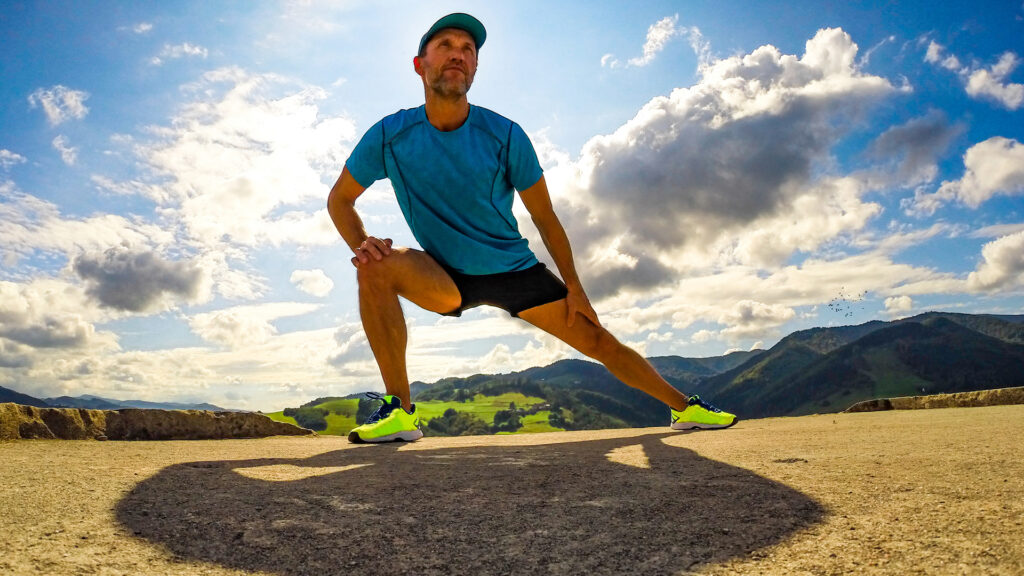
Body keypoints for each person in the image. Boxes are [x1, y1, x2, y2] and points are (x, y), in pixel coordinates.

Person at [327, 13, 736, 443]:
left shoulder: (504, 135)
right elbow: (340, 198)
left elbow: (545, 217)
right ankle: (401, 413)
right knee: (373, 265)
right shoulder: (391, 135)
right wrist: (362, 242)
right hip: (443, 275)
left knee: (599, 343)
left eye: (468, 50)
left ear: (475, 68)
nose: (458, 54)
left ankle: (685, 408)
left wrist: (575, 286)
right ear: (419, 64)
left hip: (513, 270)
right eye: (445, 45)